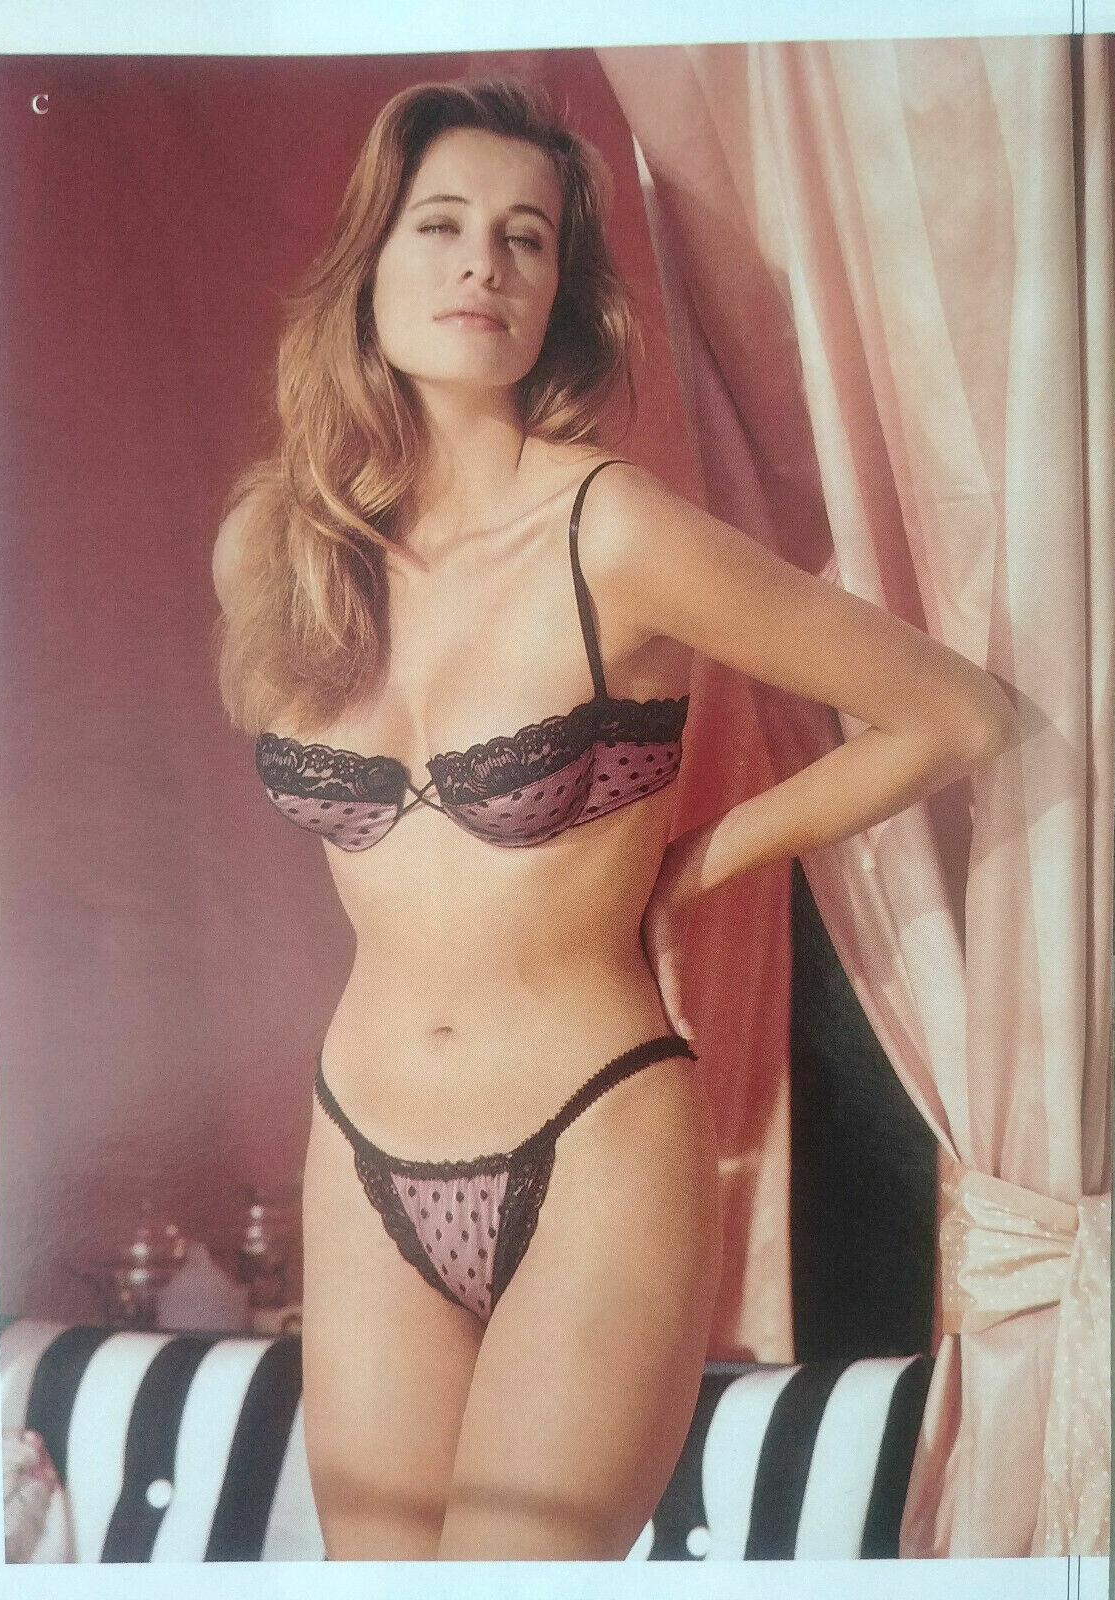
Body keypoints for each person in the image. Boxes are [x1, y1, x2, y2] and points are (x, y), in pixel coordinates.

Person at [213, 77, 1014, 1562]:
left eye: (526, 238)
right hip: (358, 1135)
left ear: (558, 295)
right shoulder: (278, 546)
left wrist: (694, 866)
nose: (483, 264)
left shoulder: (613, 530)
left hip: (588, 1139)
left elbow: (957, 717)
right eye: (442, 224)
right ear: (369, 261)